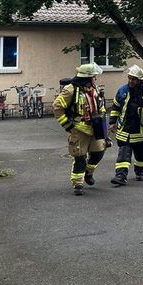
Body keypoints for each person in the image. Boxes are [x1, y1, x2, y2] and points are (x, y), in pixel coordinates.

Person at [53, 63, 108, 196]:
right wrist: (68, 126)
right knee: (79, 157)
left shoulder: (95, 89)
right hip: (78, 130)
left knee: (99, 153)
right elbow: (57, 108)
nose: (96, 79)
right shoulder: (70, 90)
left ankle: (88, 173)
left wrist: (105, 128)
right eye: (94, 76)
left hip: (96, 129)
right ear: (88, 78)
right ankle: (78, 184)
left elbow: (101, 108)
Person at [109, 65, 143, 185]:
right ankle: (120, 176)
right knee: (124, 152)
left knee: (140, 155)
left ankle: (140, 170)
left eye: (133, 79)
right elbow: (115, 107)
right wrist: (112, 122)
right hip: (125, 129)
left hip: (141, 130)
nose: (130, 81)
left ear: (139, 80)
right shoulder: (123, 90)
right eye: (129, 78)